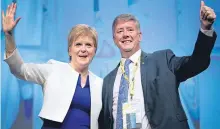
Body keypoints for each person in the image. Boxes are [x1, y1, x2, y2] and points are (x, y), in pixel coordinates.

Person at [99, 1, 217, 129]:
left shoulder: (163, 60)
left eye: (130, 30)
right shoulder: (108, 81)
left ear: (139, 36)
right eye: (120, 31)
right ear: (114, 39)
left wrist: (206, 28)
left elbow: (197, 63)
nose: (125, 34)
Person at [2, 3, 103, 129]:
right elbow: (19, 69)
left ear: (94, 51)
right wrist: (9, 35)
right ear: (69, 50)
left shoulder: (99, 84)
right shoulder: (53, 69)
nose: (83, 49)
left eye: (88, 45)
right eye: (78, 44)